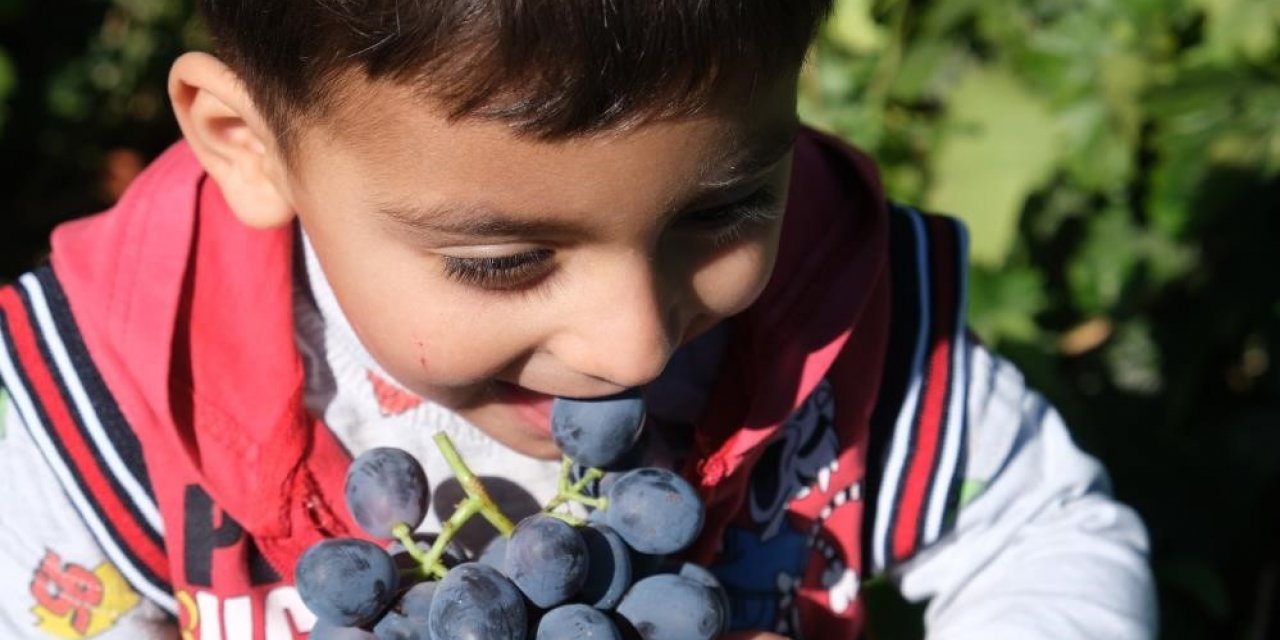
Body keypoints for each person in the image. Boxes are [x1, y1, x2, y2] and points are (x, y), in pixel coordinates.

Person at [0, 1, 1157, 638]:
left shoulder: (847, 323)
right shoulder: (109, 397)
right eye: (501, 262)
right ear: (246, 146)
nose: (634, 347)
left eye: (722, 209)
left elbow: (1042, 533)